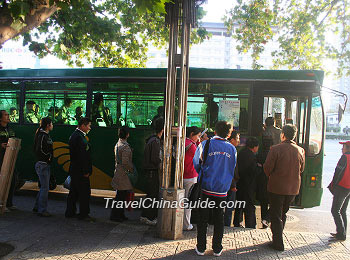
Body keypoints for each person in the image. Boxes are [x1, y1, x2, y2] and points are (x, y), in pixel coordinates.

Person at [193, 121, 236, 257]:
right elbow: (232, 167)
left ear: (215, 131)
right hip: (222, 190)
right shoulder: (232, 149)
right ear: (228, 134)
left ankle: (201, 248)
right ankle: (217, 248)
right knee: (219, 219)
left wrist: (202, 173)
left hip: (206, 188)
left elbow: (196, 163)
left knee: (203, 218)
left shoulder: (206, 144)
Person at [263, 124, 305, 251]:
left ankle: (278, 243)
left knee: (275, 215)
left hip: (277, 187)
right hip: (292, 189)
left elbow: (267, 168)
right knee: (283, 213)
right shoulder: (300, 150)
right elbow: (301, 169)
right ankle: (278, 237)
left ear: (283, 135)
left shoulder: (275, 149)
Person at [65, 117, 94, 221]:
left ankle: (70, 212)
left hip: (75, 169)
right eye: (88, 126)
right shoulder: (79, 137)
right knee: (84, 193)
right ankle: (83, 214)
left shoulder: (76, 135)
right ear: (83, 126)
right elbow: (82, 156)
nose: (90, 128)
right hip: (80, 171)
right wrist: (86, 171)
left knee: (74, 192)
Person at [140, 117, 164, 226]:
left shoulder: (152, 139)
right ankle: (149, 217)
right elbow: (155, 159)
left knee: (150, 195)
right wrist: (162, 161)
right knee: (152, 195)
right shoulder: (155, 141)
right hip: (152, 172)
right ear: (163, 129)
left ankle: (145, 216)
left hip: (149, 172)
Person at [233, 137, 259, 229]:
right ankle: (250, 224)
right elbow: (253, 171)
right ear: (255, 147)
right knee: (249, 206)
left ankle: (237, 222)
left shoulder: (241, 153)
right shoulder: (252, 156)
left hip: (240, 183)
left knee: (239, 204)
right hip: (248, 185)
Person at [110, 126, 134, 222]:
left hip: (118, 172)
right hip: (123, 175)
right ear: (127, 135)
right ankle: (116, 215)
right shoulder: (125, 147)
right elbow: (125, 162)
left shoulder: (118, 143)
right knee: (120, 196)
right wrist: (131, 169)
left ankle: (119, 214)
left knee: (120, 195)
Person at [328, 141, 350, 241]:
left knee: (335, 210)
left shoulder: (344, 157)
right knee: (343, 210)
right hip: (348, 188)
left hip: (342, 187)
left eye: (344, 147)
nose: (342, 149)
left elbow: (338, 172)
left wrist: (333, 186)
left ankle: (341, 234)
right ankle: (342, 232)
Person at [33, 117, 54, 217]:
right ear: (47, 125)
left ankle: (37, 207)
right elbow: (39, 150)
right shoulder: (42, 136)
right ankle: (42, 210)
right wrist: (48, 157)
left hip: (44, 164)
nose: (52, 125)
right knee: (45, 188)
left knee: (43, 187)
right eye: (51, 124)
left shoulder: (44, 135)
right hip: (43, 164)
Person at [183, 126, 201, 231]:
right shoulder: (192, 145)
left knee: (182, 201)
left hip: (183, 175)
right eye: (198, 136)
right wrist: (199, 143)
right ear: (192, 134)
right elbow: (200, 157)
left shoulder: (183, 142)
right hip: (190, 176)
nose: (198, 138)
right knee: (188, 202)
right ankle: (186, 224)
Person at [0, 110, 16, 211]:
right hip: (1, 159)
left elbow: (14, 139)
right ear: (0, 118)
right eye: (5, 115)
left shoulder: (10, 129)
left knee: (12, 179)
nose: (8, 116)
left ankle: (8, 203)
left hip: (10, 158)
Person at [224, 130, 240, 227]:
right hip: (229, 183)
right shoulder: (231, 150)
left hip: (224, 182)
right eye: (237, 138)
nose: (239, 141)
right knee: (228, 207)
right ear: (232, 139)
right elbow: (231, 168)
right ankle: (226, 225)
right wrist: (233, 184)